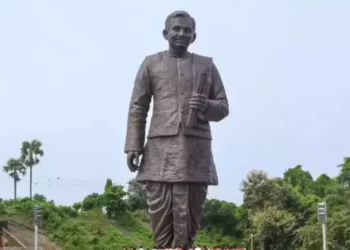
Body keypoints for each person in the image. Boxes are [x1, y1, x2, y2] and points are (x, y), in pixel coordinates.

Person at [124, 10, 229, 248]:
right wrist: (133, 145)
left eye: (187, 30)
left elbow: (223, 107)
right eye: (176, 29)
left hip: (195, 152)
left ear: (194, 36)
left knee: (189, 225)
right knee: (160, 223)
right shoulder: (151, 64)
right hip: (160, 152)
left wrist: (206, 105)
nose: (181, 33)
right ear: (166, 33)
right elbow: (138, 107)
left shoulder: (206, 66)